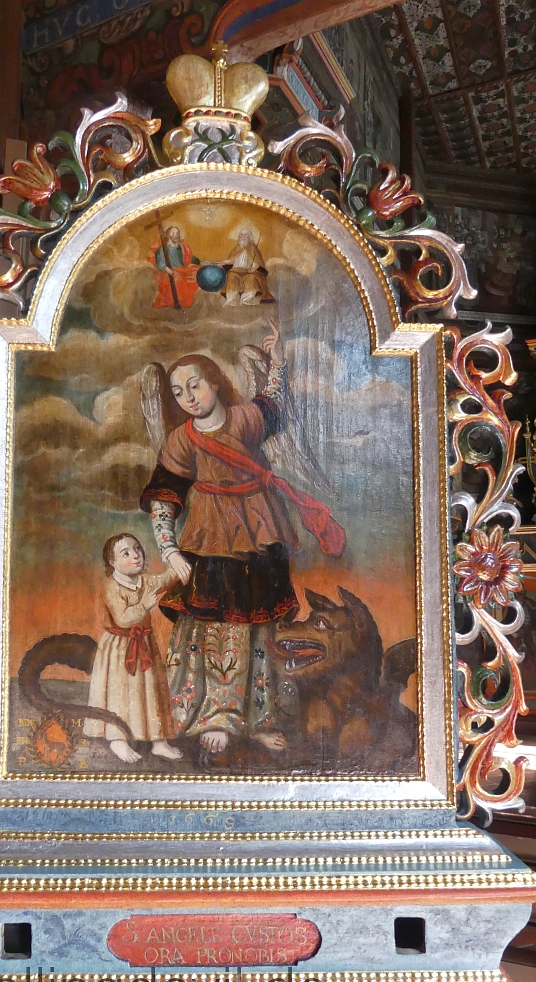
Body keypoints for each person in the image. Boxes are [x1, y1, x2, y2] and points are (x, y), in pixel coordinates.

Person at [140, 323, 345, 754]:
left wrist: (279, 363)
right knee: (215, 623)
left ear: (214, 383)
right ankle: (216, 716)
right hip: (209, 535)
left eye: (194, 385)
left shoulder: (245, 419)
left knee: (263, 623)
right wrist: (169, 549)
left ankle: (261, 719)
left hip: (261, 526)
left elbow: (274, 405)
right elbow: (163, 498)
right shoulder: (180, 441)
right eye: (178, 392)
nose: (188, 397)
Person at [83, 534, 183, 764]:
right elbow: (123, 619)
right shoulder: (111, 587)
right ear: (112, 562)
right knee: (120, 693)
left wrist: (179, 559)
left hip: (144, 644)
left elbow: (167, 578)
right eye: (126, 553)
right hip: (119, 648)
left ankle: (158, 741)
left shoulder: (145, 581)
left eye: (137, 549)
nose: (135, 555)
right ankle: (117, 738)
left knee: (151, 691)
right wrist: (144, 606)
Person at [148, 225, 201, 309]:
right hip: (169, 272)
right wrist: (169, 270)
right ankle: (178, 303)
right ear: (168, 235)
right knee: (178, 279)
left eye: (177, 233)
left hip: (183, 270)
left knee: (196, 274)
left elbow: (190, 258)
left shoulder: (182, 247)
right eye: (173, 233)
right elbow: (160, 263)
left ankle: (187, 302)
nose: (175, 235)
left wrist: (200, 262)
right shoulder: (163, 249)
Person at [223, 228, 274, 306]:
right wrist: (224, 262)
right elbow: (231, 261)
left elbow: (259, 263)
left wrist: (254, 267)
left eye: (245, 235)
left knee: (250, 278)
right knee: (231, 275)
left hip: (251, 272)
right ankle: (232, 300)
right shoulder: (236, 249)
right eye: (241, 235)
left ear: (250, 237)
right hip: (237, 271)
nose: (243, 237)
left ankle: (247, 300)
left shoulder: (253, 249)